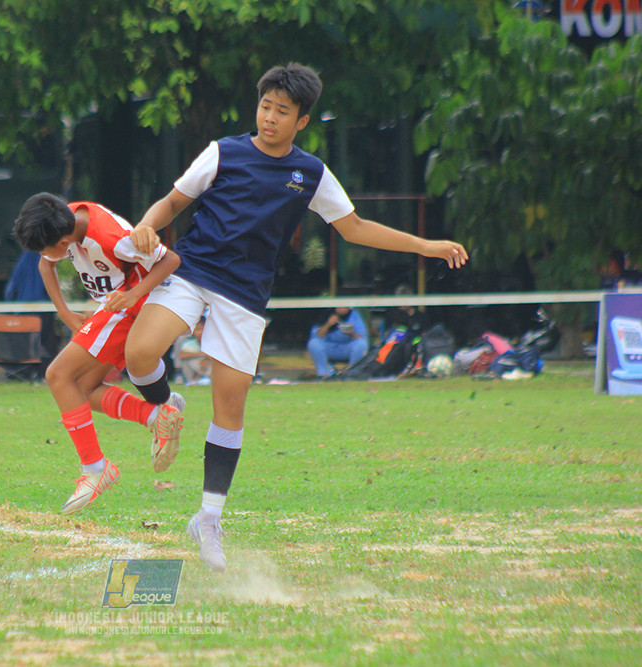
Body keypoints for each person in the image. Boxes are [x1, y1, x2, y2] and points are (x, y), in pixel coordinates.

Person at [125, 62, 468, 572]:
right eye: (265, 106)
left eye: (282, 112)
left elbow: (353, 227)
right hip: (192, 272)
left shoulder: (309, 173)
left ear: (301, 121)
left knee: (230, 407)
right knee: (139, 352)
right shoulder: (224, 151)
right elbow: (173, 201)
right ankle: (162, 406)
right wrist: (146, 225)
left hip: (244, 295)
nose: (270, 117)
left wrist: (425, 245)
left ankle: (209, 519)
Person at [12, 193, 185, 515]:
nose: (45, 255)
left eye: (47, 248)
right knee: (81, 389)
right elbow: (44, 264)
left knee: (58, 375)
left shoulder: (112, 238)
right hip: (113, 308)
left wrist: (133, 294)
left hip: (130, 308)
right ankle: (157, 416)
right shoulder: (65, 220)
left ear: (65, 242)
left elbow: (171, 261)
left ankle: (95, 468)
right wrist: (64, 312)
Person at [4, 249, 59, 374]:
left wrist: (10, 308)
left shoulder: (24, 259)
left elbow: (12, 287)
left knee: (26, 343)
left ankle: (25, 372)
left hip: (24, 310)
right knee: (46, 342)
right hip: (44, 310)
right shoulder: (49, 257)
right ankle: (45, 372)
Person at [307, 306, 369, 378]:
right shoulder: (327, 314)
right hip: (330, 348)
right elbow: (317, 336)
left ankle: (352, 372)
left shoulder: (354, 315)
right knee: (314, 343)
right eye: (338, 307)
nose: (340, 308)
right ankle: (323, 374)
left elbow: (362, 337)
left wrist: (350, 333)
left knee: (361, 344)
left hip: (347, 348)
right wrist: (328, 324)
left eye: (343, 307)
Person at [174, 317, 212, 385]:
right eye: (197, 330)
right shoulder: (189, 344)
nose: (200, 333)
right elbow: (182, 355)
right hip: (195, 370)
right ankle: (194, 380)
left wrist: (207, 358)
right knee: (188, 358)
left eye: (202, 329)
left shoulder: (212, 342)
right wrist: (203, 354)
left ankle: (203, 377)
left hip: (208, 369)